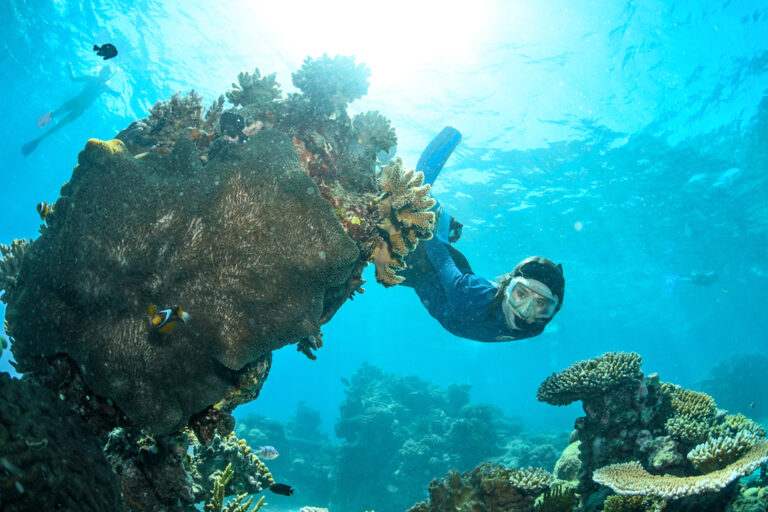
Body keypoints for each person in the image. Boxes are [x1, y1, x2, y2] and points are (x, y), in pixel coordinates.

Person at [399, 127, 565, 342]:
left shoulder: (535, 327)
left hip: (454, 286)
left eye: (541, 304)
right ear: (508, 289)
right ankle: (419, 192)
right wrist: (423, 220)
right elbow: (441, 261)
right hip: (427, 268)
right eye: (521, 295)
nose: (525, 311)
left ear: (553, 310)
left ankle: (447, 226)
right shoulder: (468, 296)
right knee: (412, 203)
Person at [22, 63, 121, 156]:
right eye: (103, 71)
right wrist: (70, 69)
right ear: (100, 71)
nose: (103, 74)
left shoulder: (104, 87)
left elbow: (115, 94)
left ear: (107, 76)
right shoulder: (91, 79)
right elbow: (73, 79)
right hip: (75, 102)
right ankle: (37, 127)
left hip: (79, 109)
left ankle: (38, 139)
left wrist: (116, 93)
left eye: (106, 73)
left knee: (59, 124)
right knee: (55, 113)